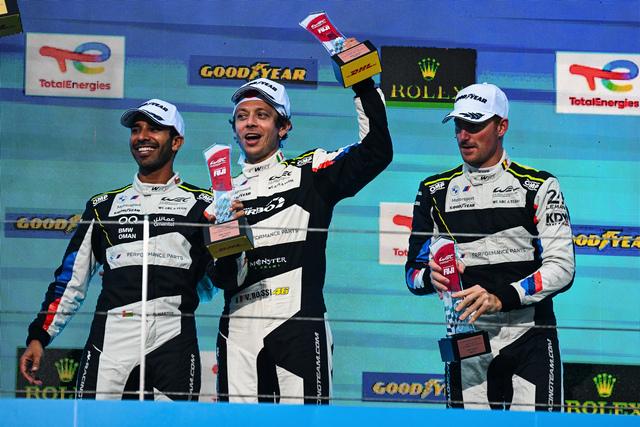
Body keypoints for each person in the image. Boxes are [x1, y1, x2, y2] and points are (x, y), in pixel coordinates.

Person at [207, 59, 392, 403]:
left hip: (299, 323)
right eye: (242, 116)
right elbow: (225, 279)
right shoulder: (220, 197)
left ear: (284, 127)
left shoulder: (311, 172)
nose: (250, 122)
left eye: (262, 115)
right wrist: (228, 238)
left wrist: (363, 83)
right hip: (238, 329)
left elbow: (375, 152)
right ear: (234, 128)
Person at [19, 99, 216, 401]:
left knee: (173, 423)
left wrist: (229, 231)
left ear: (176, 141)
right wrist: (39, 336)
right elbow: (71, 281)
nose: (142, 136)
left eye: (154, 129)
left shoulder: (204, 205)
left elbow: (221, 278)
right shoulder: (103, 207)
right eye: (136, 129)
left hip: (173, 338)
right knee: (94, 421)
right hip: (111, 337)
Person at [405, 83, 575, 411]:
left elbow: (562, 267)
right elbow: (412, 273)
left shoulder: (538, 186)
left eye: (474, 125)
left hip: (529, 334)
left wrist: (501, 297)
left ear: (501, 126)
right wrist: (430, 277)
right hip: (468, 339)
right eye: (459, 125)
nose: (464, 136)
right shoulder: (434, 191)